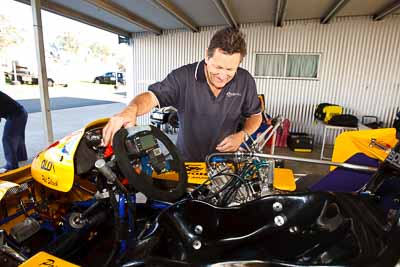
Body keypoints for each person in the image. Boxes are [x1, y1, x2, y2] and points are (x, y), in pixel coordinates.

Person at [103, 27, 262, 162]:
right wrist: (131, 109)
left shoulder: (245, 80)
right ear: (207, 56)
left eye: (229, 70)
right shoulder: (183, 77)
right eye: (218, 67)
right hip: (186, 161)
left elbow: (255, 115)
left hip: (224, 162)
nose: (222, 75)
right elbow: (152, 96)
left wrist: (242, 135)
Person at [0, 91, 28, 173]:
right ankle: (21, 157)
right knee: (18, 137)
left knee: (7, 139)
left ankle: (11, 166)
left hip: (17, 114)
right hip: (21, 112)